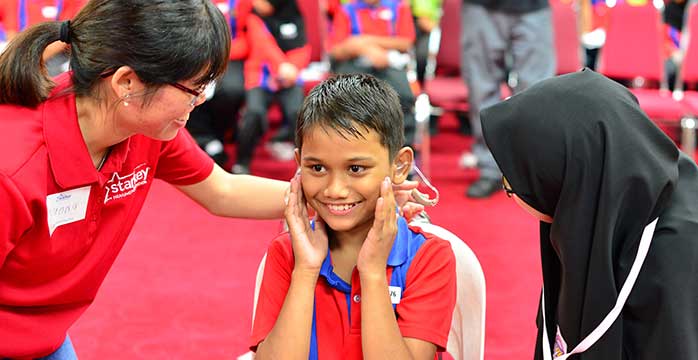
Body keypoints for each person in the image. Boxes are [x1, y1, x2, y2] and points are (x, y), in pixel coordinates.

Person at [0, 1, 424, 358]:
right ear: (127, 83)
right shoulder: (12, 166)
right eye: (194, 86)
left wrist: (355, 197)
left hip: (48, 337)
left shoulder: (143, 129)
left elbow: (221, 190)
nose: (205, 98)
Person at [481, 69, 698, 359]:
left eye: (515, 185)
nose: (510, 188)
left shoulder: (674, 252)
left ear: (558, 180)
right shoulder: (597, 196)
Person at [250, 73, 457, 359]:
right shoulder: (287, 253)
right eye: (318, 168)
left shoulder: (429, 257)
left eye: (356, 169)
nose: (335, 190)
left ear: (399, 166)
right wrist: (307, 271)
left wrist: (372, 273)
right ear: (299, 165)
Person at [460, 0, 555, 198]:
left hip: (534, 7)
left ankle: (532, 170)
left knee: (537, 92)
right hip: (481, 6)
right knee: (481, 87)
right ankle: (489, 168)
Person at [233, 0, 311, 174]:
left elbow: (304, 47)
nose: (256, 2)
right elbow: (262, 43)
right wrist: (281, 67)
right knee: (254, 113)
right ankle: (241, 162)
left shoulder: (294, 14)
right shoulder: (254, 16)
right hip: (261, 74)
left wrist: (292, 69)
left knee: (297, 112)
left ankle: (305, 165)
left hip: (290, 75)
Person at [328, 0, 418, 146]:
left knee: (403, 95)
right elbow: (336, 51)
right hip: (354, 63)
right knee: (346, 97)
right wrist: (362, 49)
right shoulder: (347, 10)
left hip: (389, 63)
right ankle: (349, 147)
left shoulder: (398, 7)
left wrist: (366, 41)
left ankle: (403, 148)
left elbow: (406, 42)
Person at [185, 0, 254, 167]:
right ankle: (206, 139)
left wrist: (226, 50)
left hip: (232, 55)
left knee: (232, 90)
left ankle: (219, 136)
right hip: (195, 53)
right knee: (188, 84)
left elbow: (252, 31)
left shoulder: (243, 3)